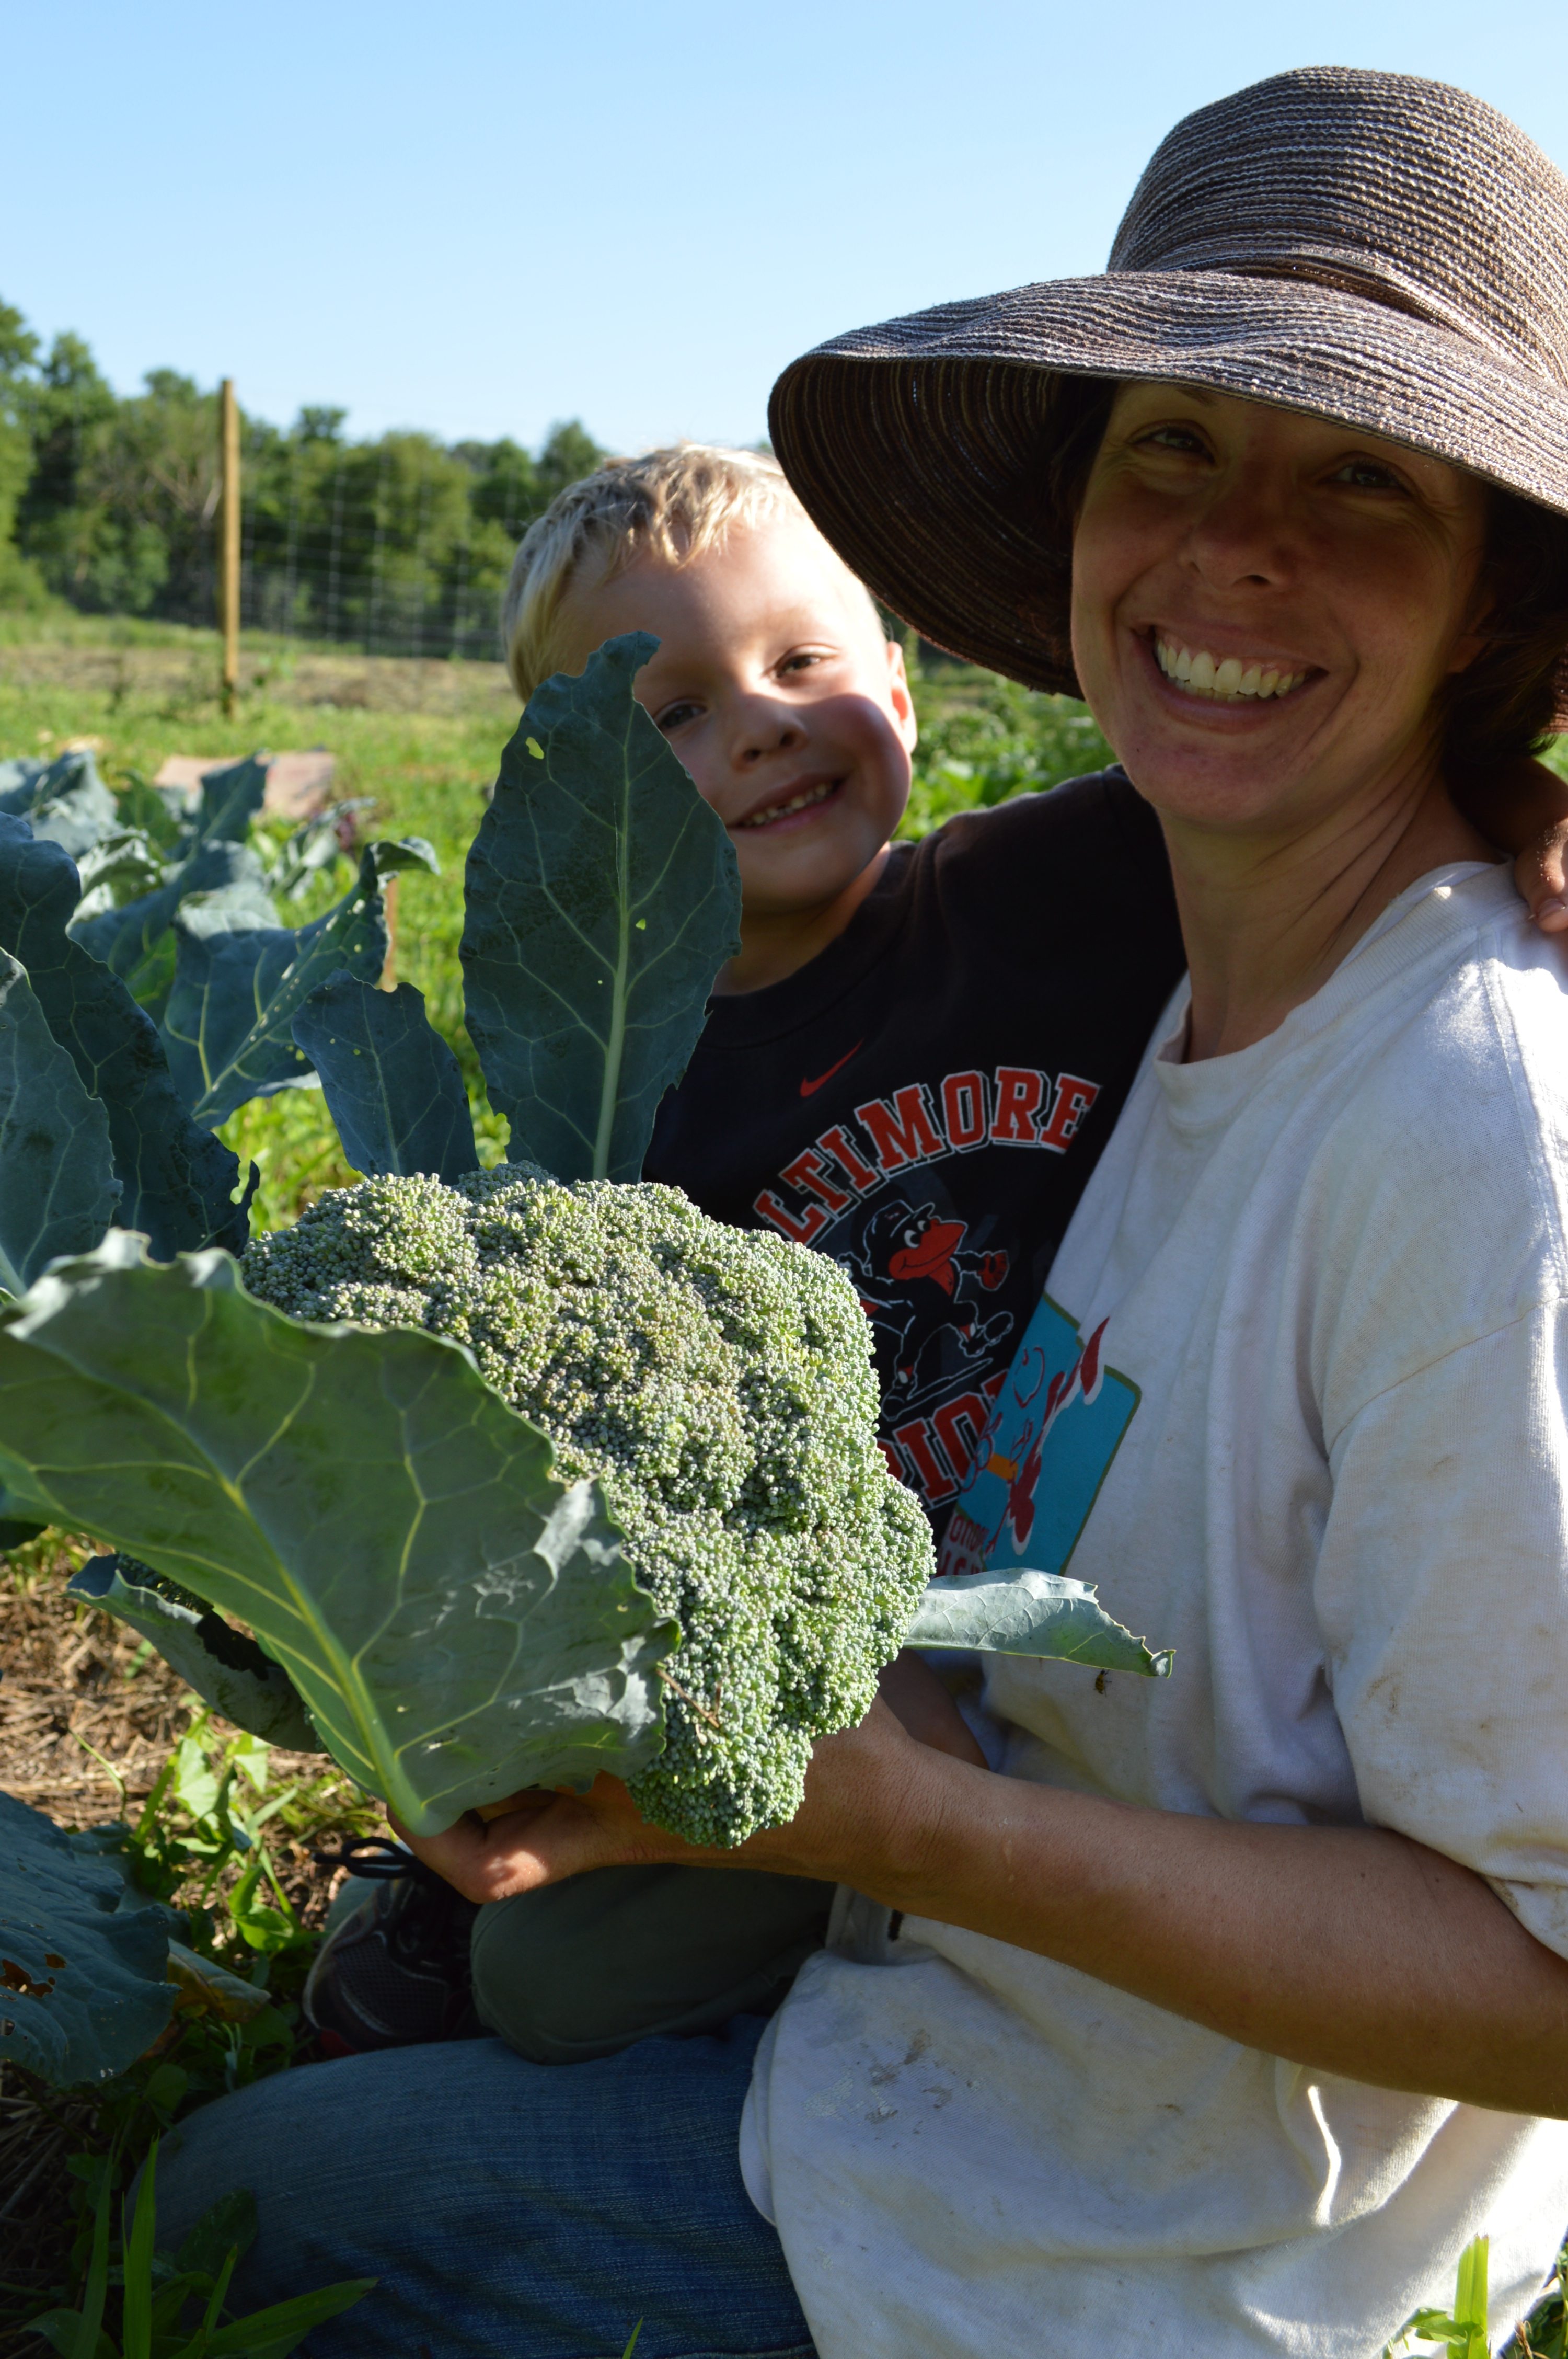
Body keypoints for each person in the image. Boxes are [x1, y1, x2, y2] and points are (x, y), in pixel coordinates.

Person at [158, 67, 1568, 2359]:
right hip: (971, 2017)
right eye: (1173, 449)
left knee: (236, 2218)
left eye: (1364, 482)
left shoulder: (1474, 1121)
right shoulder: (1177, 964)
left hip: (1174, 2233)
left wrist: (890, 1828)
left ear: (1495, 585)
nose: (1233, 555)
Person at [304, 442, 1189, 2068]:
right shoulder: (621, 1112)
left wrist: (1515, 805)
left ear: (902, 693)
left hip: (1108, 1594)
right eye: (675, 717)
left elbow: (1321, 794)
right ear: (593, 807)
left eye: (801, 663)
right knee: (544, 1985)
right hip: (836, 1668)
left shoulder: (1062, 886)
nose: (758, 726)